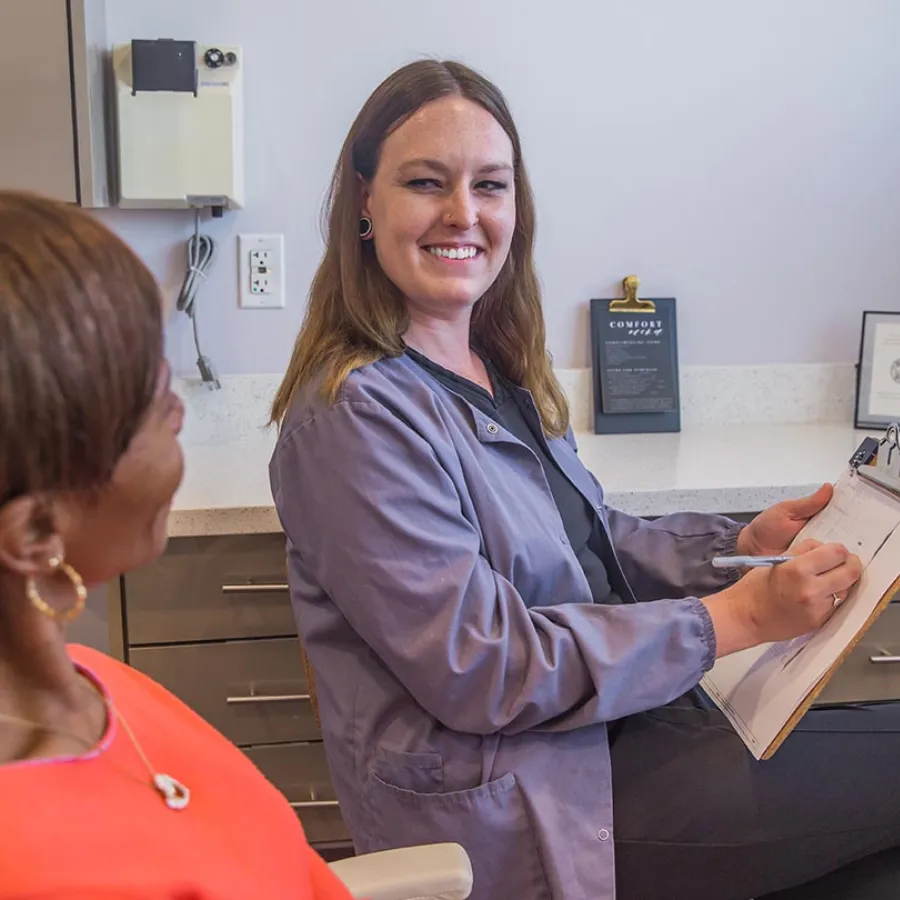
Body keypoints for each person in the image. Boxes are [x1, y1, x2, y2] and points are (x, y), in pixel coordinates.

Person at [268, 58, 900, 900]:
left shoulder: (494, 368)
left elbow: (592, 540)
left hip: (619, 730)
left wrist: (736, 550)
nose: (463, 213)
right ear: (363, 200)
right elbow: (485, 666)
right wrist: (737, 615)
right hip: (540, 797)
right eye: (427, 182)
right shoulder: (354, 417)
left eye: (490, 185)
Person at [0, 191, 354, 900]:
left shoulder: (106, 685)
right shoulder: (42, 866)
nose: (181, 413)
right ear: (37, 533)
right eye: (154, 402)